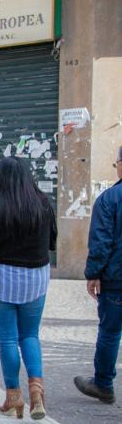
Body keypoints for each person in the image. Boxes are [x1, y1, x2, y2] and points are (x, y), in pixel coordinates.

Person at [0, 156, 56, 420]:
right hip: (35, 277)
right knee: (30, 335)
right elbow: (52, 241)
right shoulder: (43, 203)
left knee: (8, 338)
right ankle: (36, 392)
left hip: (2, 278)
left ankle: (13, 396)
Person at [74, 146, 122, 404]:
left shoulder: (110, 199)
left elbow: (102, 242)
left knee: (110, 332)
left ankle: (103, 384)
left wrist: (93, 274)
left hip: (116, 280)